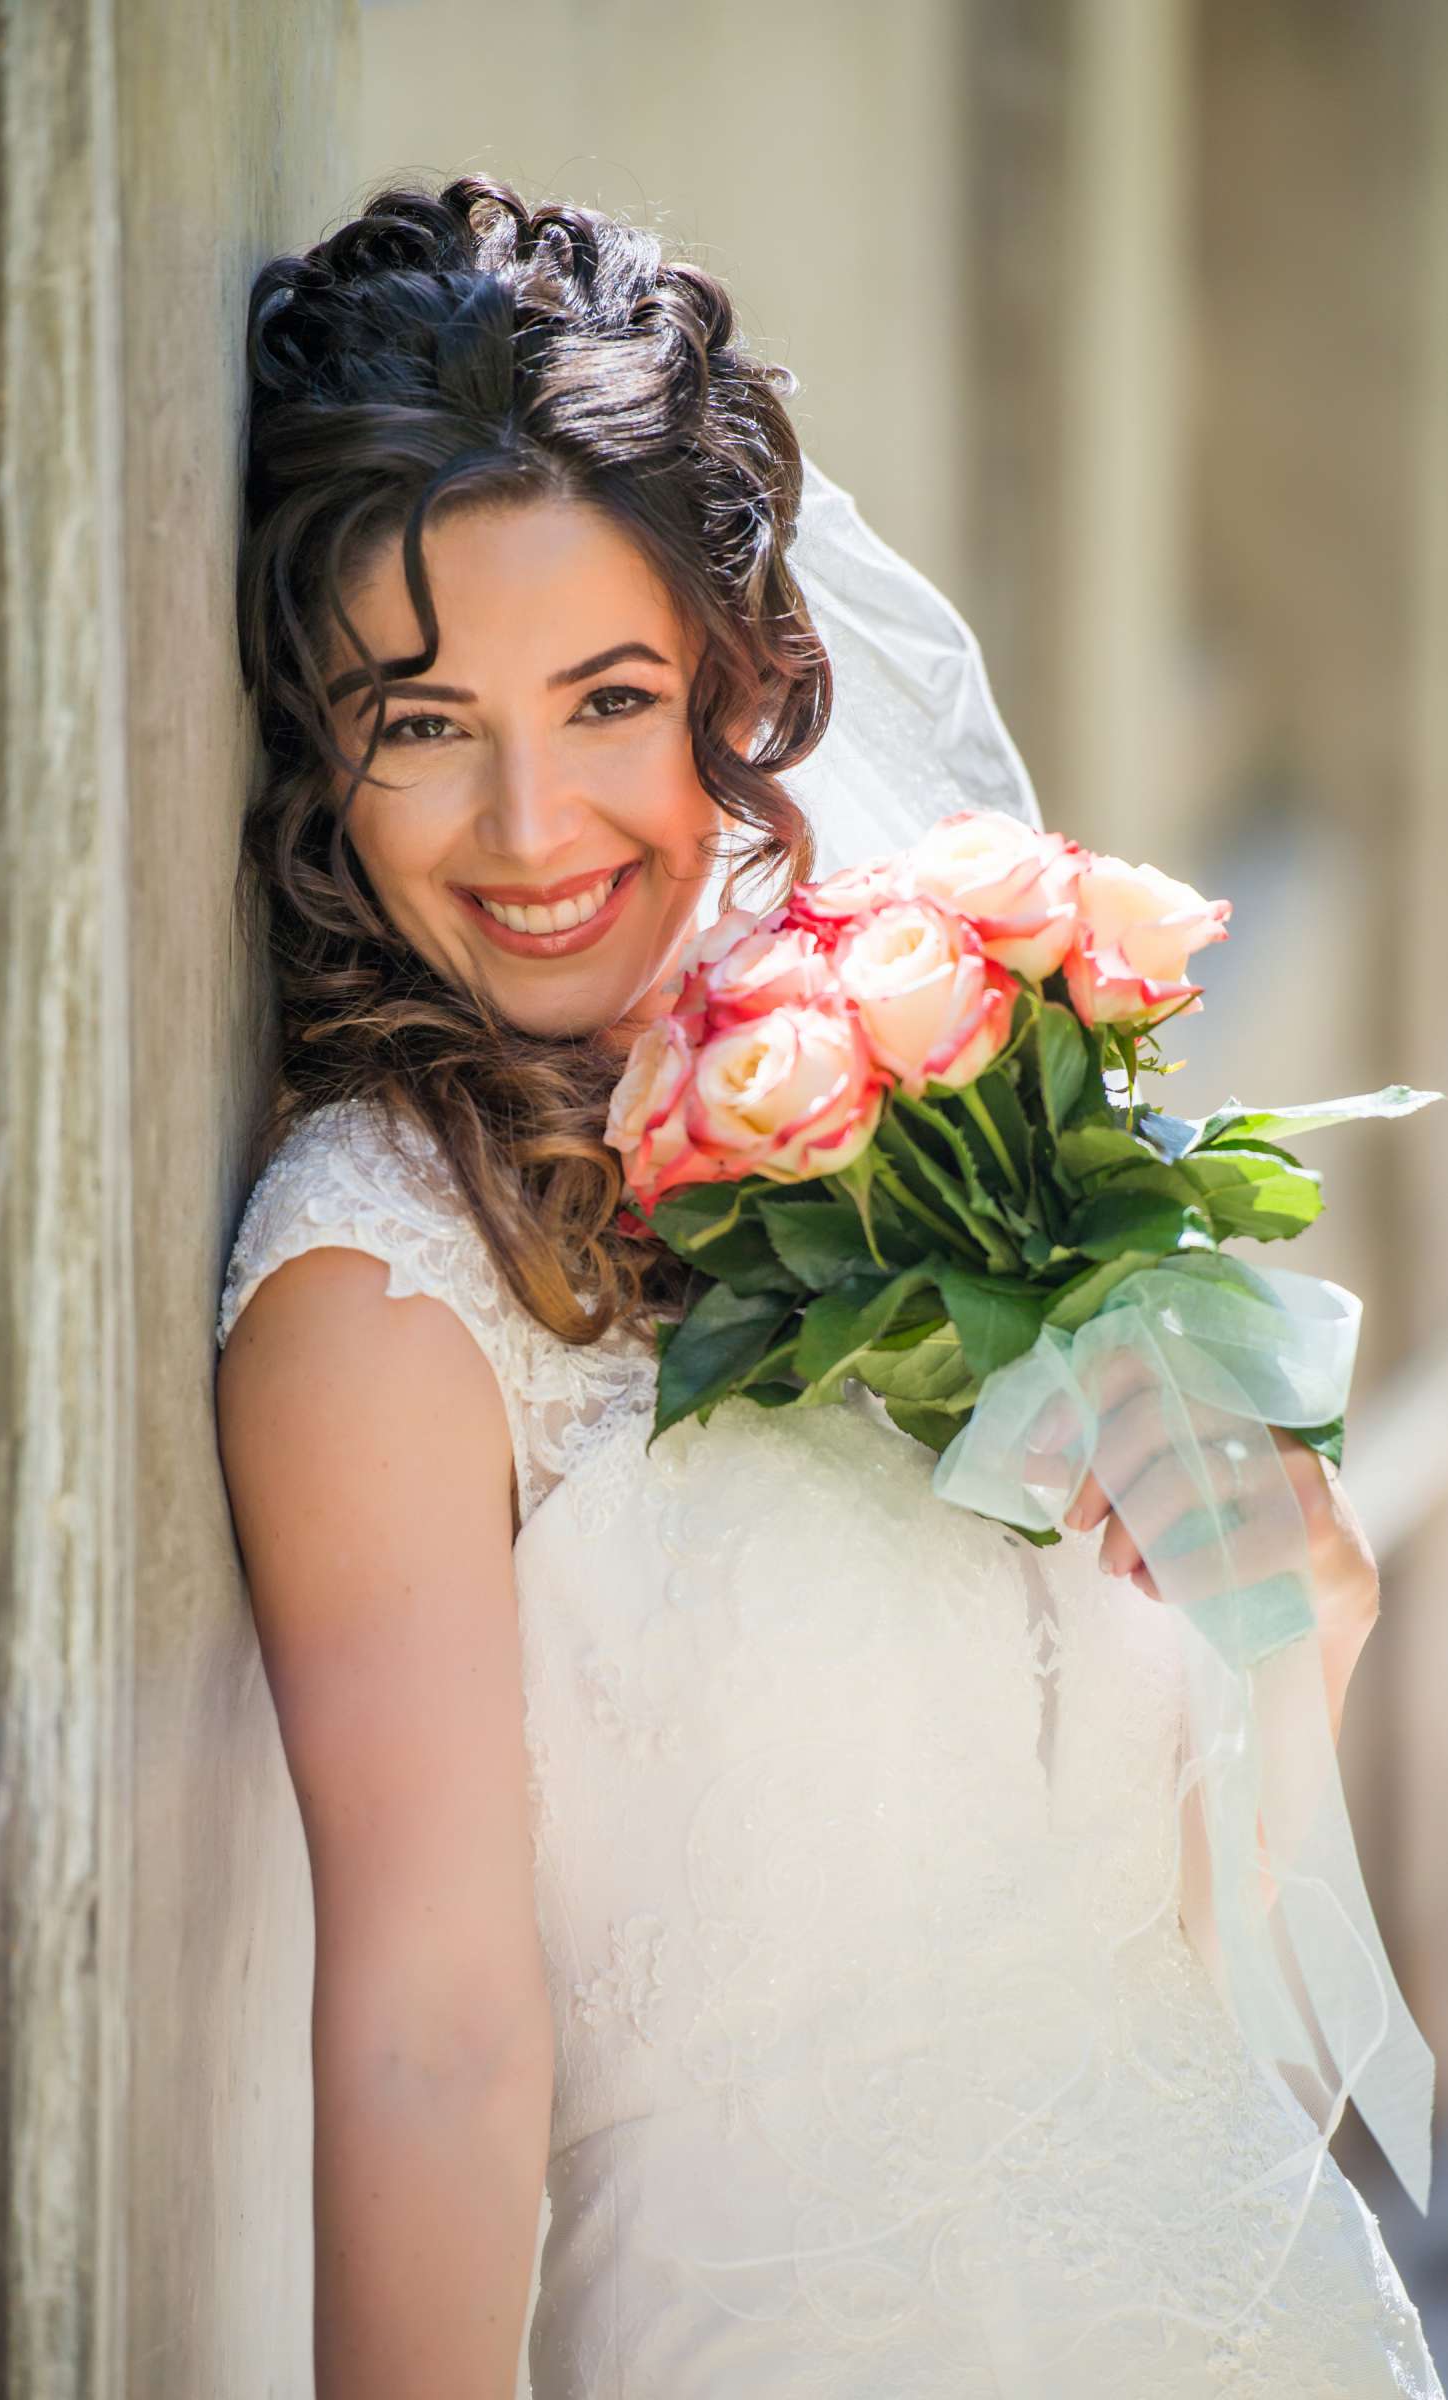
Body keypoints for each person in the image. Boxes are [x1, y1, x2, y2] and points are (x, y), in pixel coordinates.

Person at [213, 173, 1442, 2398]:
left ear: (729, 680)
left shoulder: (939, 1097)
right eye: (419, 724)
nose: (529, 825)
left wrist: (1301, 1625)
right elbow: (433, 2048)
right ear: (322, 757)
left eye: (605, 698)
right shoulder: (381, 1277)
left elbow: (1188, 1955)